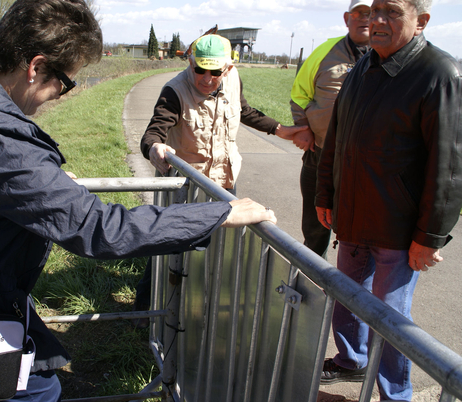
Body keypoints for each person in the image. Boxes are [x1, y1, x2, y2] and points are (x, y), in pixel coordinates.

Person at [0, 1, 277, 400]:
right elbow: (101, 229)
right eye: (65, 83)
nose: (59, 96)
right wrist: (219, 212)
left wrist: (37, 183)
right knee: (35, 389)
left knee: (13, 384)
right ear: (34, 67)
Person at [315, 0, 462, 399]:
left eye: (392, 12)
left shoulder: (440, 73)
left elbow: (448, 167)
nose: (376, 20)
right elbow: (337, 139)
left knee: (391, 317)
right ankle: (351, 360)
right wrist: (326, 194)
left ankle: (395, 394)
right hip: (351, 217)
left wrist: (429, 236)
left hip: (398, 230)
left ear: (422, 22)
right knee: (345, 298)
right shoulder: (364, 66)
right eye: (373, 10)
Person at [132, 34, 308, 325]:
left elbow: (245, 111)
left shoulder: (233, 79)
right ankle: (144, 311)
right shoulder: (174, 91)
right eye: (200, 69)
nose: (206, 78)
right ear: (190, 62)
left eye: (215, 72)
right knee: (167, 247)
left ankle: (202, 312)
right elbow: (154, 130)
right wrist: (155, 147)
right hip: (187, 186)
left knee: (219, 250)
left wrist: (280, 130)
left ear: (227, 68)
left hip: (225, 181)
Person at [290, 0, 372, 258]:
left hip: (363, 164)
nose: (365, 18)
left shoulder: (389, 55)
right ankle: (311, 285)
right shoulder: (325, 51)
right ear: (347, 18)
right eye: (358, 13)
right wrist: (303, 127)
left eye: (371, 13)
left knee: (356, 235)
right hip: (320, 154)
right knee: (315, 230)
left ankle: (347, 291)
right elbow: (299, 94)